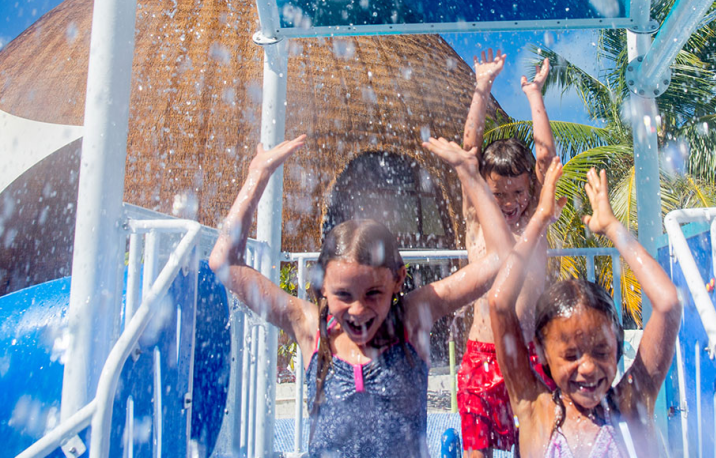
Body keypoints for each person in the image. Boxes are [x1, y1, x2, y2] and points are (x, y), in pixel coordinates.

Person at [208, 134, 518, 458]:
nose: (358, 309)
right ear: (321, 286)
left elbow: (500, 258)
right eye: (343, 294)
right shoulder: (310, 327)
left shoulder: (411, 321)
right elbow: (223, 262)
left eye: (373, 293)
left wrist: (471, 175)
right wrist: (257, 176)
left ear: (398, 280)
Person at [488, 168, 682, 458]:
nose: (588, 367)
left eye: (602, 352)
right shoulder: (535, 410)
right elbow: (499, 303)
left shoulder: (630, 405)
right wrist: (540, 218)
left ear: (617, 347)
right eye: (570, 355)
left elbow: (668, 303)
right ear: (542, 353)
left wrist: (613, 227)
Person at [458, 48, 558, 458]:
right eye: (499, 194)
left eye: (519, 192)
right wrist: (482, 87)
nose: (511, 202)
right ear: (485, 191)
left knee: (534, 446)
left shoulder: (535, 221)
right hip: (481, 355)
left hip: (530, 353)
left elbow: (547, 160)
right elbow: (469, 152)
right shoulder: (478, 222)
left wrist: (534, 95)